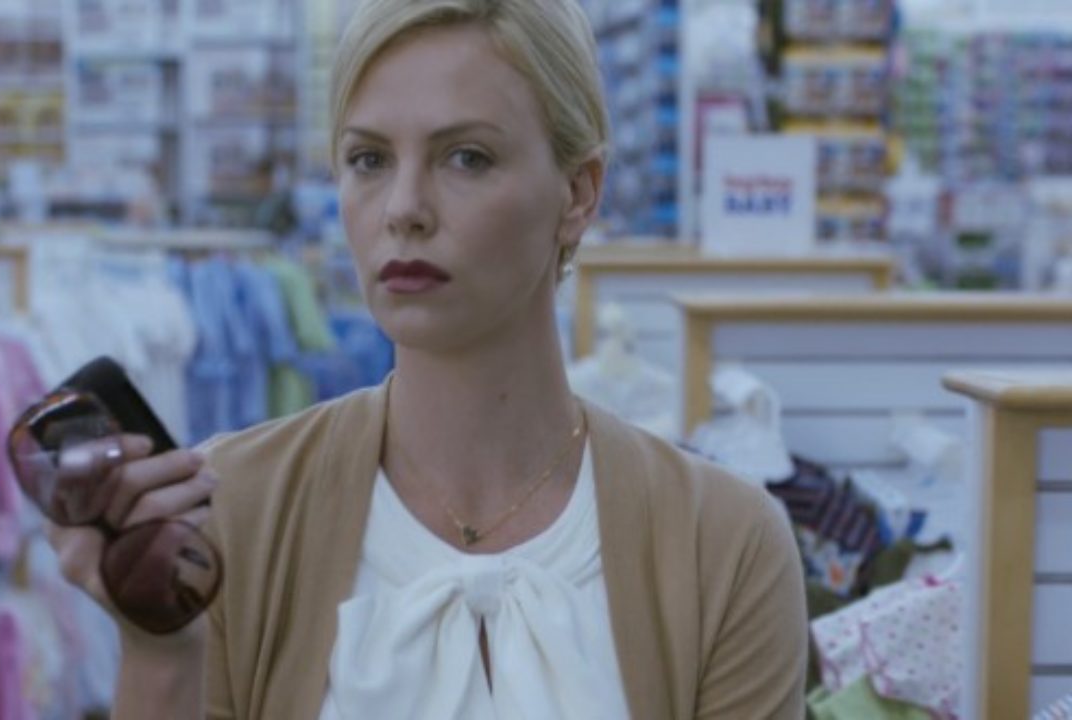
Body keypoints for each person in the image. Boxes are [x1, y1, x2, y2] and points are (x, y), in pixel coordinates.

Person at [46, 0, 809, 717]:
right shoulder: (231, 514)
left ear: (579, 193)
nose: (403, 208)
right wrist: (160, 653)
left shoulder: (725, 546)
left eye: (466, 158)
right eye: (368, 159)